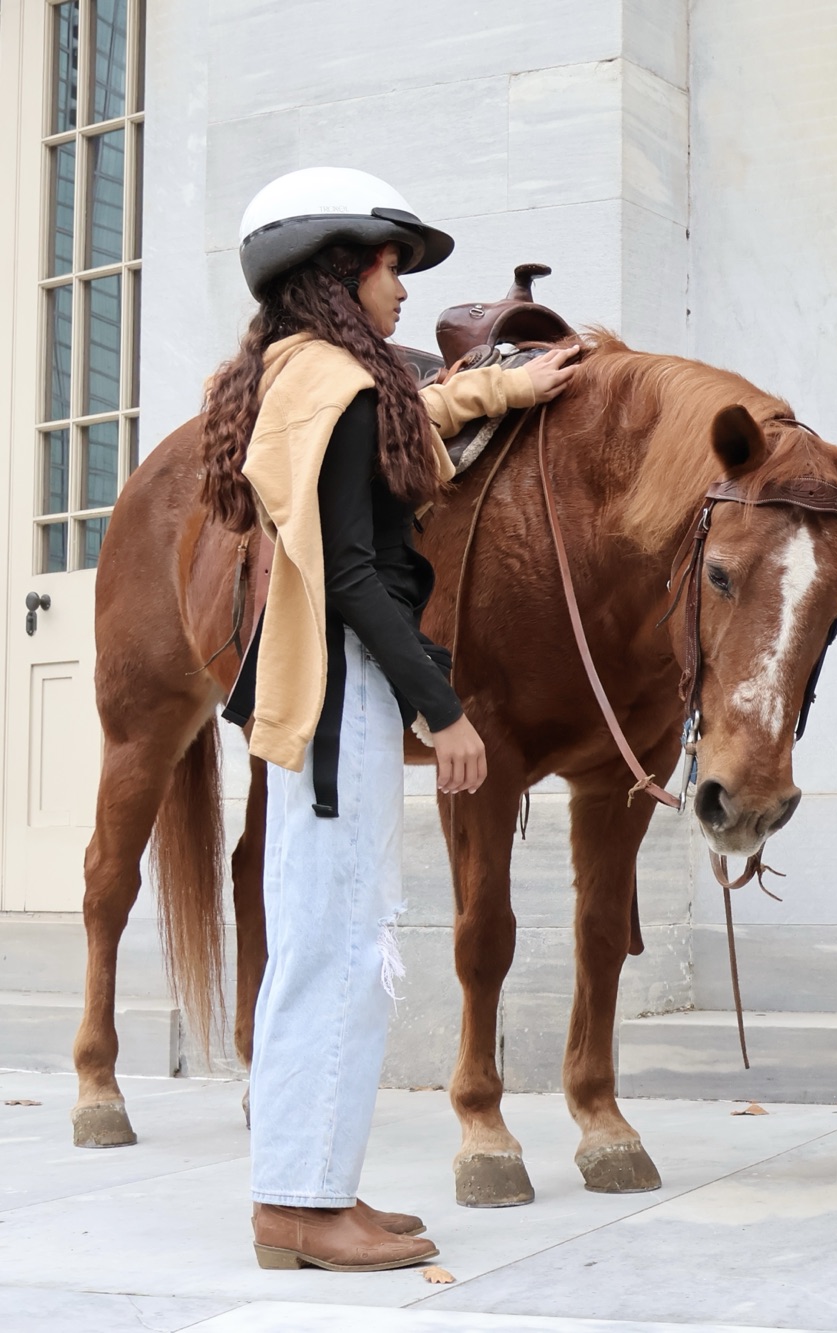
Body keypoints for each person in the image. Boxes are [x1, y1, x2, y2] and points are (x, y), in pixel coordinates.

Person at [201, 167, 579, 1272]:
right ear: (339, 272)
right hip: (340, 697)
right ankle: (299, 1205)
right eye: (389, 266)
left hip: (316, 693)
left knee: (323, 942)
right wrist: (444, 711)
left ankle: (312, 1185)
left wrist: (499, 388)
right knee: (338, 947)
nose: (404, 289)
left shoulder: (308, 376)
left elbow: (411, 417)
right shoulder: (336, 385)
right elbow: (358, 574)